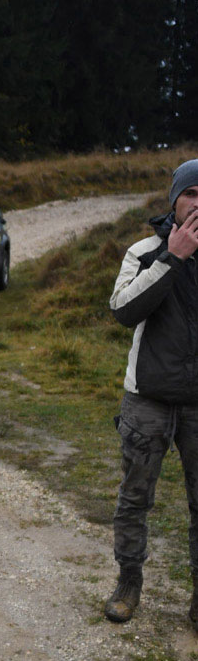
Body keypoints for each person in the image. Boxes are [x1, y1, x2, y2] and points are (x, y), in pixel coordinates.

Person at [105, 160, 198, 624]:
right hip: (147, 398)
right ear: (174, 201)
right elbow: (123, 310)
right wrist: (173, 257)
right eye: (191, 193)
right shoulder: (144, 250)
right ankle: (128, 583)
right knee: (134, 499)